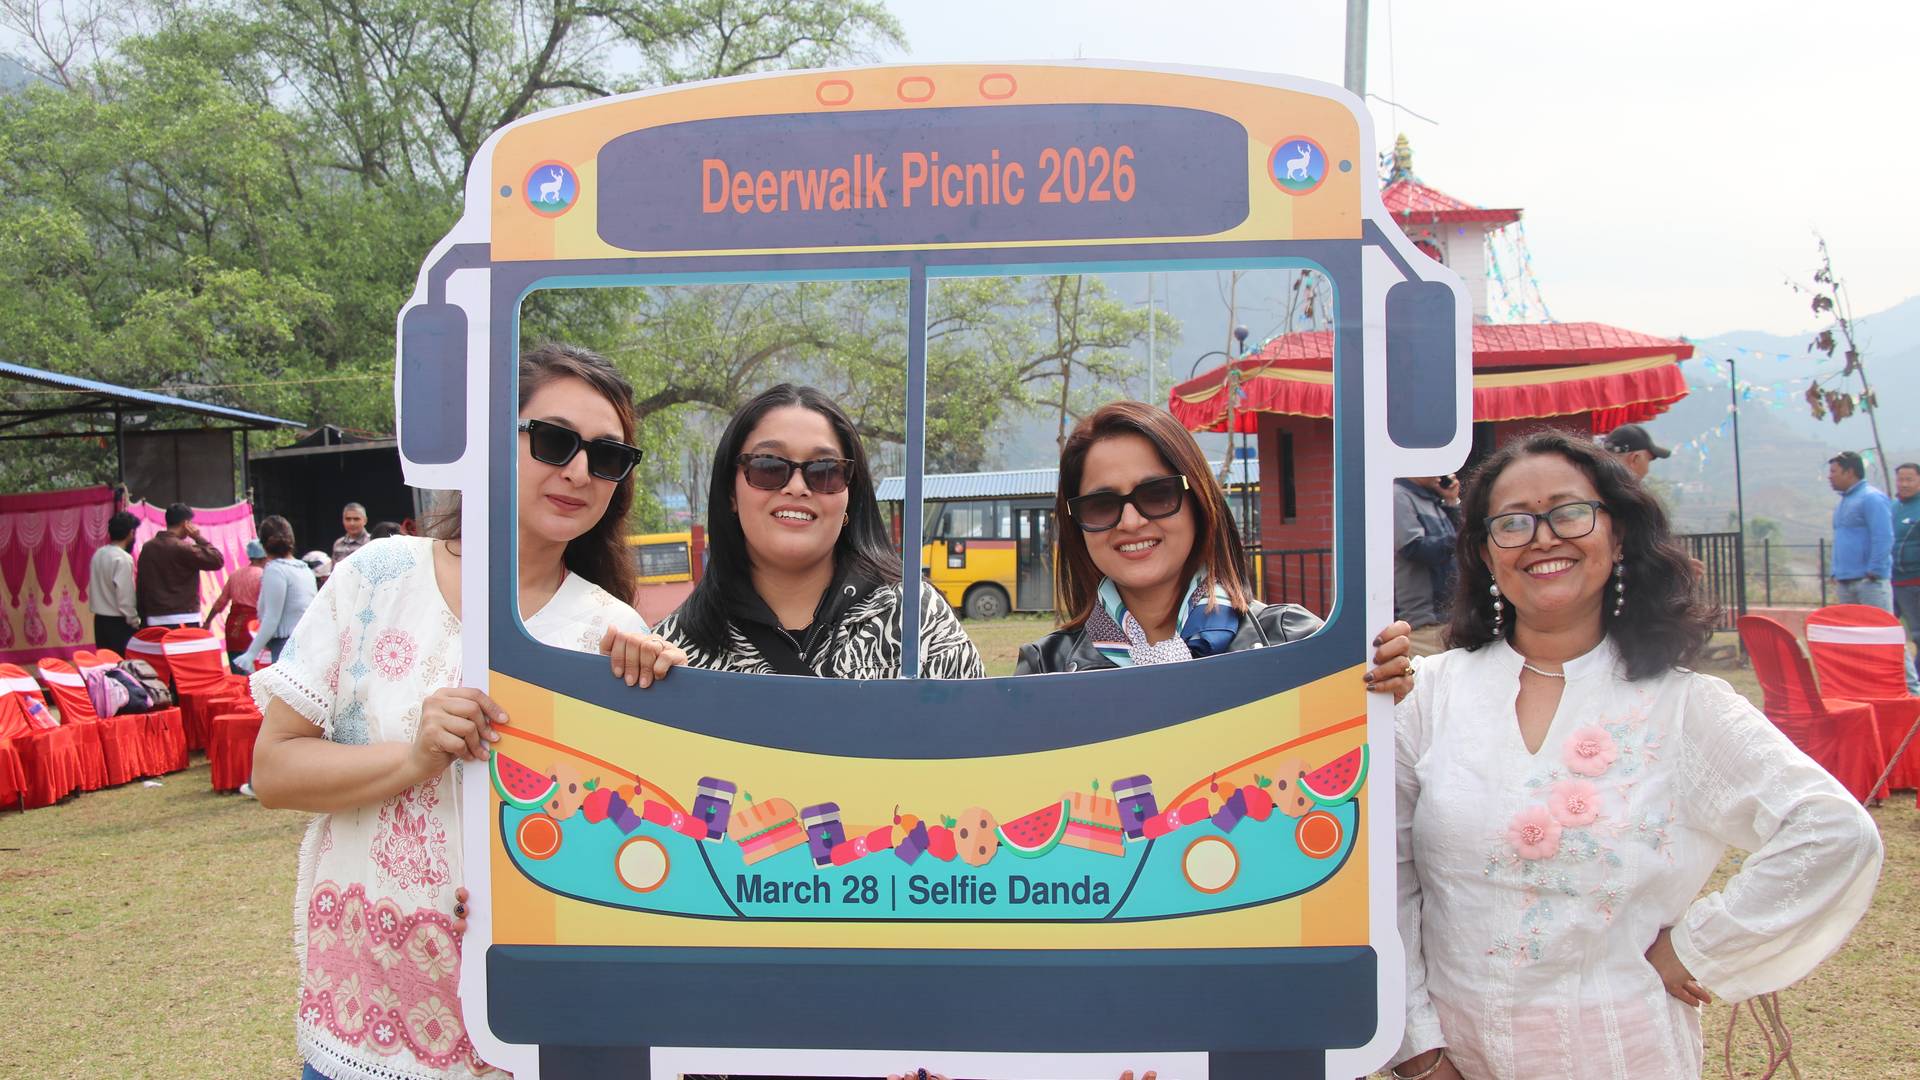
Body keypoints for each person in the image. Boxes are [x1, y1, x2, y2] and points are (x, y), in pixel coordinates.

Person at [250, 343, 685, 1080]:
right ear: (489, 439)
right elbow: (274, 770)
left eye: (608, 456)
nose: (580, 471)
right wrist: (413, 758)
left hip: (524, 1035)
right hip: (365, 1022)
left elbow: (628, 846)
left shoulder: (611, 635)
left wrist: (660, 708)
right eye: (554, 441)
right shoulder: (377, 579)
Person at [1389, 431, 1881, 1080]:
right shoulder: (1427, 696)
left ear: (1617, 535)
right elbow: (1387, 882)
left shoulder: (1683, 707)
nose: (1542, 538)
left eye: (1569, 512)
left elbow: (1833, 831)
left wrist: (1700, 948)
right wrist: (1419, 1053)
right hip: (1457, 1059)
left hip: (1625, 1053)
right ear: (1485, 552)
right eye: (1512, 522)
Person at [653, 383, 983, 680]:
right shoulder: (675, 653)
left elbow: (977, 725)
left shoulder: (916, 620)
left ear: (850, 496)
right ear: (731, 493)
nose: (797, 487)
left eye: (825, 471)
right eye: (768, 467)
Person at [1015, 401, 1324, 673]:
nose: (1131, 522)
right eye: (1101, 505)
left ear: (1198, 503)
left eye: (1157, 495)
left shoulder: (1294, 642)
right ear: (1077, 526)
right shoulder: (1044, 669)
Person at [1825, 453, 1913, 690]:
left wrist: (1874, 570)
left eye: (1834, 472)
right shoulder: (1845, 501)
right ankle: (1867, 687)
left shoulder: (1871, 498)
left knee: (1886, 635)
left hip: (1869, 582)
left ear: (1849, 472)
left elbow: (1883, 536)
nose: (1830, 477)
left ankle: (1912, 689)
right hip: (1846, 581)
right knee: (1855, 639)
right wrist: (1836, 571)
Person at [234, 518, 316, 673]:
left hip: (285, 647)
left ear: (263, 544)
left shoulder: (275, 569)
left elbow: (271, 618)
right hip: (307, 643)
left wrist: (250, 654)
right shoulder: (304, 569)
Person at [1393, 475, 1461, 658]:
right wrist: (1463, 537)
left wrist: (1451, 502)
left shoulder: (1431, 499)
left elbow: (1454, 543)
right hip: (1421, 623)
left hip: (1446, 619)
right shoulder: (1398, 495)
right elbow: (1414, 548)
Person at [135, 501, 225, 629]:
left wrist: (143, 617)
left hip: (154, 618)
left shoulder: (148, 548)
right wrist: (198, 537)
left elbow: (141, 583)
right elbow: (217, 560)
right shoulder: (185, 548)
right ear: (186, 524)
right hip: (185, 617)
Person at [87, 509, 141, 654]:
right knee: (122, 663)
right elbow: (125, 595)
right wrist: (134, 620)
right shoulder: (123, 558)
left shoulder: (98, 554)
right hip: (119, 623)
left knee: (107, 662)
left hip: (100, 621)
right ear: (131, 533)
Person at [208, 538, 268, 665]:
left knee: (236, 668)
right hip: (254, 626)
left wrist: (207, 622)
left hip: (234, 626)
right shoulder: (264, 575)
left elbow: (220, 602)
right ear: (265, 557)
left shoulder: (235, 574)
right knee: (256, 669)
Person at [1894, 462, 1920, 693]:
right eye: (1900, 479)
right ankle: (1895, 686)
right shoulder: (1891, 508)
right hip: (1890, 582)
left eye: (1909, 479)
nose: (1904, 484)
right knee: (1887, 635)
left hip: (1915, 582)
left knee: (1918, 636)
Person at [1600, 423, 1671, 482]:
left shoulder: (1595, 486)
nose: (1647, 471)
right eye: (1648, 460)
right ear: (1635, 458)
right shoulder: (1622, 493)